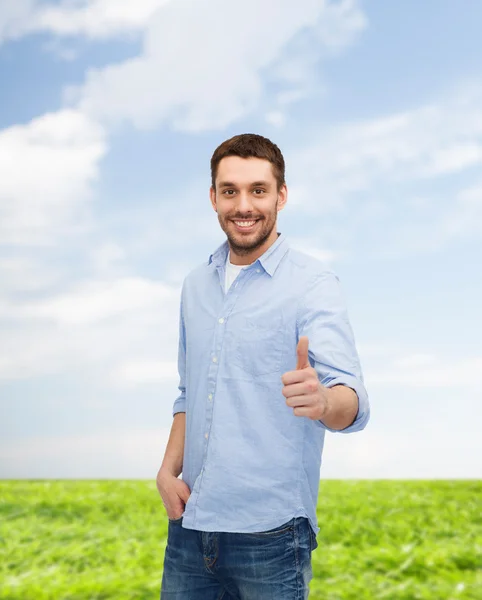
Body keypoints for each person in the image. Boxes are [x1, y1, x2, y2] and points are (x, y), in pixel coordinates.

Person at [156, 133, 370, 599]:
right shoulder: (196, 285)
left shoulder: (313, 283)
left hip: (271, 538)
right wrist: (167, 471)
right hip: (190, 526)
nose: (243, 205)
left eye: (258, 190)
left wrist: (322, 401)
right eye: (230, 191)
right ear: (213, 198)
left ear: (281, 195)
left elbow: (352, 401)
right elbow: (189, 393)